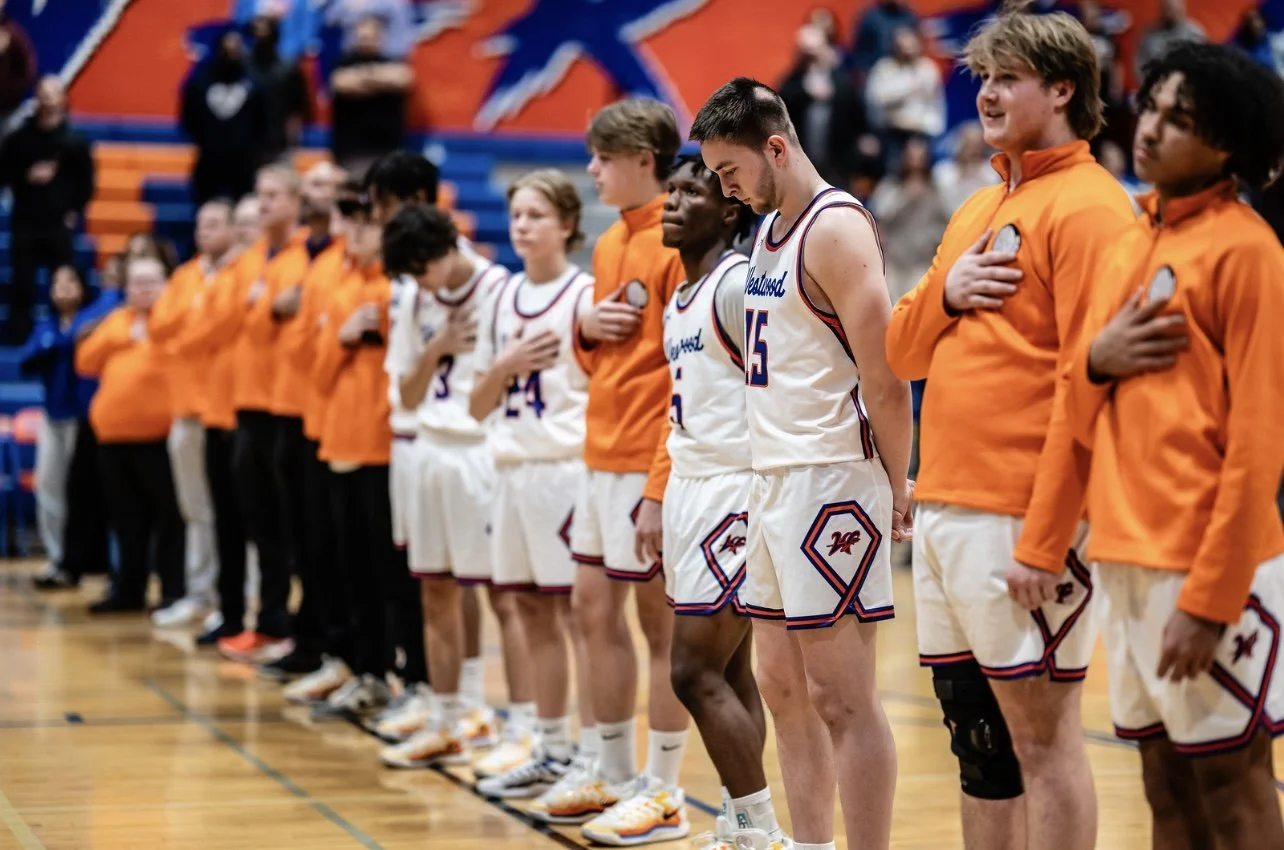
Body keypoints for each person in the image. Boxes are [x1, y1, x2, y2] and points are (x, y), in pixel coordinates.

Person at [883, 9, 1138, 850]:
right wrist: (946, 291)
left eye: (1007, 78)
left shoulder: (1096, 209)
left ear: (1063, 89)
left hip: (1025, 519)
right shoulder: (980, 205)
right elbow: (901, 349)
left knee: (1044, 741)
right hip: (949, 510)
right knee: (978, 745)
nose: (986, 93)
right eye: (982, 77)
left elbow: (1092, 383)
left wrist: (1049, 532)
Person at [1039, 41, 1284, 850]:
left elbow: (1258, 447)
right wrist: (1097, 362)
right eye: (1155, 106)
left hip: (1212, 567)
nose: (1153, 129)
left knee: (1231, 779)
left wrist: (1211, 602)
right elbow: (1075, 407)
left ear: (1231, 147)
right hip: (1124, 558)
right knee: (1162, 780)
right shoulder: (1127, 242)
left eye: (1184, 120)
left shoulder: (1249, 251)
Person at [690, 76, 912, 850]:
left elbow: (885, 374)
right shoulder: (766, 235)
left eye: (729, 171)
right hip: (771, 478)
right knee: (782, 689)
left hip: (831, 482)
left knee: (841, 697)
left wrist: (897, 484)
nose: (725, 188)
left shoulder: (835, 227)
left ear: (776, 147)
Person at [529, 98, 691, 845]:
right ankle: (610, 767)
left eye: (602, 158)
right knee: (590, 612)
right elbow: (600, 352)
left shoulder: (679, 242)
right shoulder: (607, 245)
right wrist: (584, 329)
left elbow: (686, 381)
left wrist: (659, 486)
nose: (591, 171)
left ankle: (664, 789)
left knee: (661, 631)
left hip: (647, 461)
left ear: (644, 161)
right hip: (598, 456)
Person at [654, 155, 786, 848]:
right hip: (689, 489)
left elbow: (779, 384)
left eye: (690, 191)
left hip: (733, 492)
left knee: (691, 671)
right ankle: (741, 822)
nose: (671, 203)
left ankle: (760, 832)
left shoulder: (737, 284)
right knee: (731, 670)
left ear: (730, 208)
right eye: (668, 191)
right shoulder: (682, 296)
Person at [377, 203, 526, 769]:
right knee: (434, 592)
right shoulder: (417, 297)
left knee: (503, 597)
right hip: (429, 451)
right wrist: (436, 347)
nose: (418, 283)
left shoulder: (499, 291)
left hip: (481, 453)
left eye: (422, 270)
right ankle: (448, 718)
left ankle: (522, 727)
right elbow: (408, 395)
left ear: (445, 251)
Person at [466, 169, 598, 798]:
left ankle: (599, 755)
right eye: (517, 215)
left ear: (568, 225)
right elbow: (475, 404)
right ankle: (549, 747)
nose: (523, 226)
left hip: (563, 471)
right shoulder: (500, 298)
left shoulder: (584, 296)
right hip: (509, 470)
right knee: (528, 612)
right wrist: (505, 364)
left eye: (536, 215)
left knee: (581, 619)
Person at [75, 255, 185, 614]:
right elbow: (85, 360)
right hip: (113, 440)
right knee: (126, 521)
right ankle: (129, 590)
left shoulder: (174, 323)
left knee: (169, 521)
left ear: (166, 285)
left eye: (151, 282)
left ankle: (172, 591)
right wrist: (125, 337)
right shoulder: (117, 321)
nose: (143, 290)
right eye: (136, 282)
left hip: (159, 439)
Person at [146, 199, 237, 629]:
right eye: (201, 223)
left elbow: (225, 327)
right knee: (194, 508)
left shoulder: (241, 272)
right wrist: (199, 317)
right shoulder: (185, 276)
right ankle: (200, 593)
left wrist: (193, 326)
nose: (204, 230)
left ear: (233, 229)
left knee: (233, 512)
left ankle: (238, 598)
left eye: (214, 223)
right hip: (185, 409)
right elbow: (160, 326)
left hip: (225, 410)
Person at [0, 76, 94, 345]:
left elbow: (87, 182)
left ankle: (64, 336)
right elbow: (3, 172)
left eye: (55, 93)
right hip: (25, 220)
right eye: (44, 93)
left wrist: (74, 210)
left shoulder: (75, 141)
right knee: (22, 282)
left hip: (59, 222)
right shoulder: (19, 139)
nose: (49, 99)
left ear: (64, 98)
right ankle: (19, 339)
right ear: (37, 98)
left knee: (65, 281)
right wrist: (26, 176)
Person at [21, 265, 88, 588]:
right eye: (56, 283)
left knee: (80, 493)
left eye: (69, 280)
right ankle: (55, 556)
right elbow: (27, 360)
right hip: (53, 415)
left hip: (83, 419)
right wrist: (61, 342)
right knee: (48, 487)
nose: (62, 288)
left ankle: (82, 560)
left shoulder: (92, 320)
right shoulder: (46, 325)